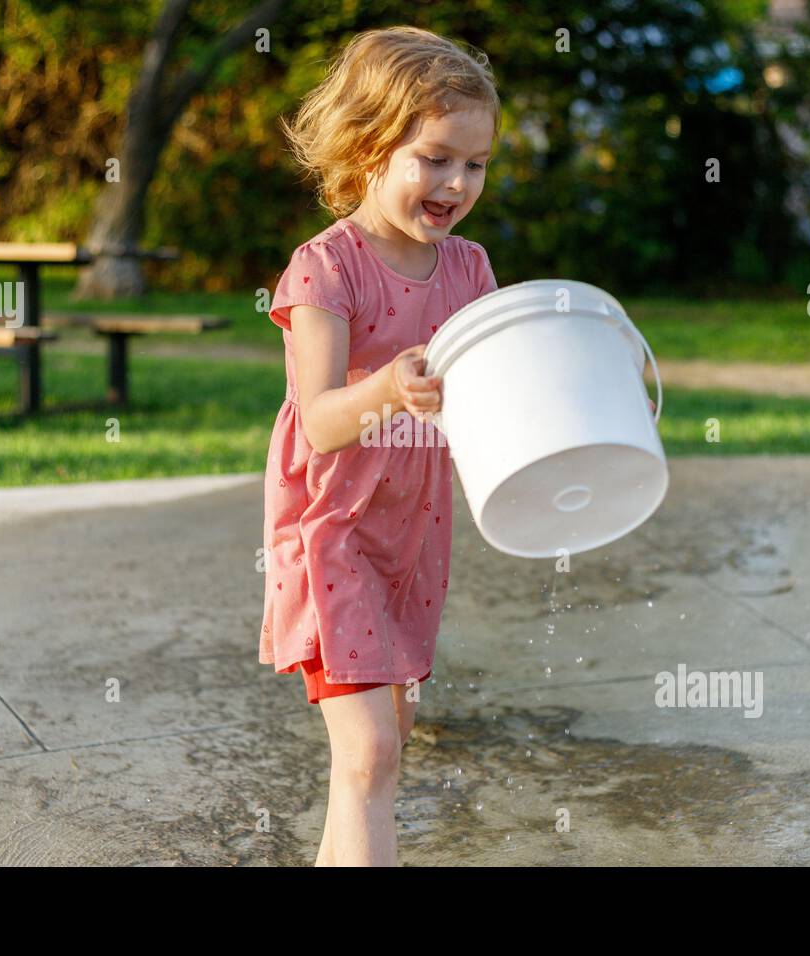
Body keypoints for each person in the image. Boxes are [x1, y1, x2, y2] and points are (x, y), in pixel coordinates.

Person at [258, 25, 501, 866]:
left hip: (411, 536)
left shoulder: (470, 271)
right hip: (333, 535)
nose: (456, 183)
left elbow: (487, 402)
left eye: (474, 165)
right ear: (370, 144)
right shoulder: (327, 269)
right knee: (369, 754)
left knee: (383, 739)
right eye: (434, 158)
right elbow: (319, 419)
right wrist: (389, 387)